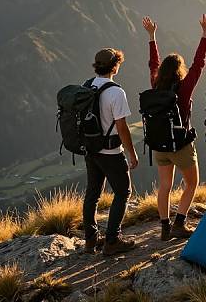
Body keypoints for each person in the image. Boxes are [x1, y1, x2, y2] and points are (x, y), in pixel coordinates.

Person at [142, 14, 206, 240]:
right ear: (179, 71)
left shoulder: (155, 85)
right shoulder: (183, 89)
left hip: (159, 144)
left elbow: (153, 64)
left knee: (165, 185)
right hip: (180, 145)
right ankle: (179, 223)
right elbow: (198, 65)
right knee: (192, 183)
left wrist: (152, 37)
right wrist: (205, 34)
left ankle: (164, 227)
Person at [83, 48, 138, 256]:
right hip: (111, 152)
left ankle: (90, 241)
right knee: (123, 192)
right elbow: (122, 127)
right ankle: (112, 241)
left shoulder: (87, 86)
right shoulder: (116, 92)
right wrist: (132, 154)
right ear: (115, 66)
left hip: (91, 150)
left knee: (92, 195)